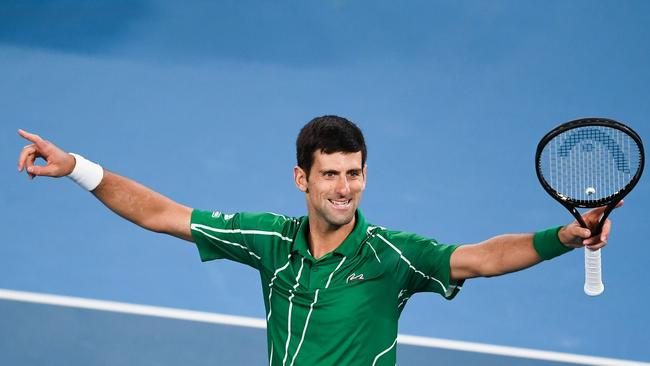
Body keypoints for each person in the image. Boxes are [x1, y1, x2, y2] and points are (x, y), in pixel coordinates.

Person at [17, 116, 616, 366]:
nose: (344, 187)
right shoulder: (268, 241)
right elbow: (163, 214)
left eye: (354, 172)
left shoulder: (393, 256)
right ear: (303, 178)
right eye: (330, 173)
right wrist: (77, 168)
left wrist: (564, 235)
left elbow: (483, 259)